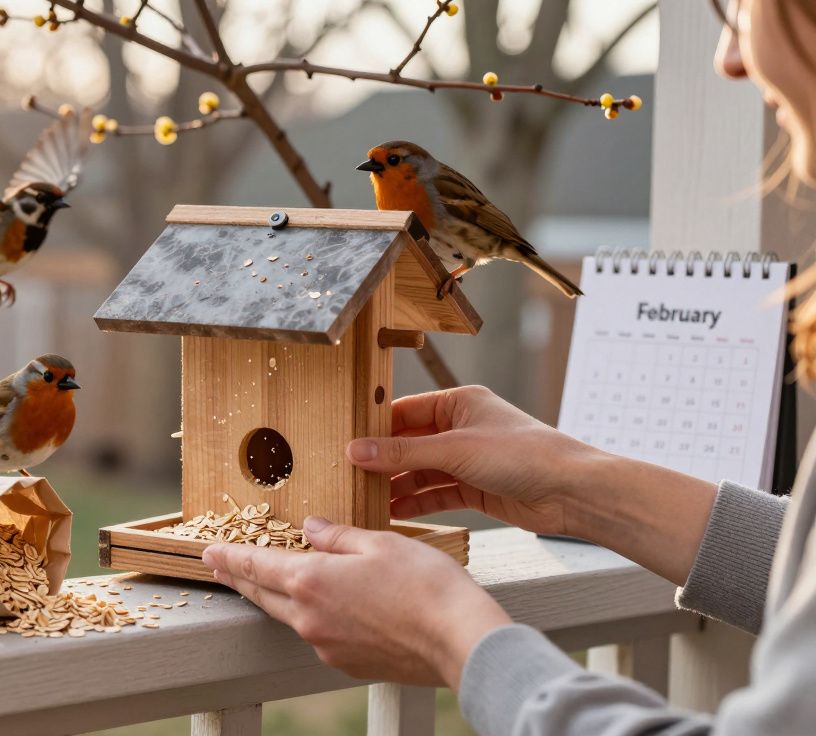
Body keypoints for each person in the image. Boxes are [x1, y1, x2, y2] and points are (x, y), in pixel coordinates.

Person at [201, 1, 816, 733]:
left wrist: (449, 633)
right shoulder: (402, 198)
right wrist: (574, 482)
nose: (729, 56)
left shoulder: (437, 192)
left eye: (744, 5)